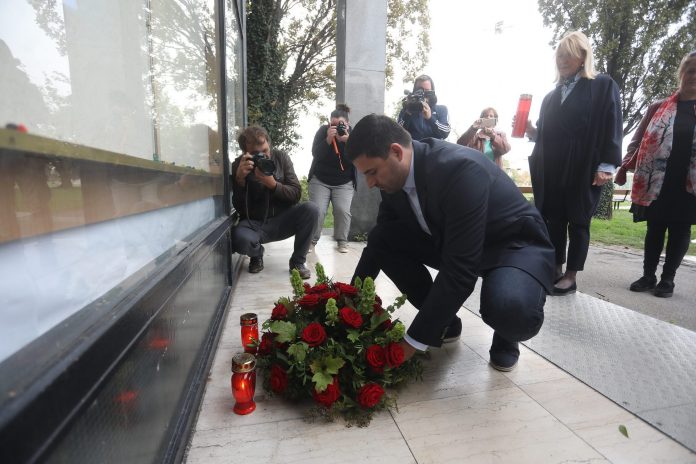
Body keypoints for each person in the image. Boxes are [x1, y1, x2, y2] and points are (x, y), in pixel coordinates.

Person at [347, 114, 555, 371]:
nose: (370, 183)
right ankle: (445, 324)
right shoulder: (393, 180)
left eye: (372, 172)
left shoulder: (459, 169)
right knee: (383, 238)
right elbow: (380, 239)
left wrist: (410, 344)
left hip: (510, 246)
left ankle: (506, 335)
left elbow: (460, 271)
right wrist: (349, 301)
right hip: (455, 241)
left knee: (508, 306)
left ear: (397, 152)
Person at [524, 31, 622, 295]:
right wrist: (532, 131)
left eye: (569, 55)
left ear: (583, 56)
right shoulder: (551, 96)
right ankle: (555, 267)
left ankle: (571, 275)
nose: (563, 60)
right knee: (554, 219)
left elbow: (612, 123)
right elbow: (547, 134)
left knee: (579, 221)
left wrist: (607, 165)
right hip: (553, 166)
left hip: (583, 165)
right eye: (559, 55)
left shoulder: (602, 85)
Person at [614, 51, 696, 298]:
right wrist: (626, 164)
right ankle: (648, 275)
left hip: (689, 184)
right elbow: (637, 140)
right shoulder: (658, 107)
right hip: (656, 180)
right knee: (655, 227)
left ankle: (667, 279)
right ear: (682, 73)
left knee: (680, 229)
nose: (694, 76)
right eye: (691, 70)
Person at [230, 125, 319, 279]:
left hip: (284, 219)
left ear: (269, 144)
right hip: (255, 223)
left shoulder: (281, 158)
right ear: (245, 153)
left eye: (265, 150)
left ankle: (297, 262)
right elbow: (239, 208)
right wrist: (240, 181)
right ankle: (256, 254)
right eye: (256, 154)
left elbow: (296, 193)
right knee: (240, 239)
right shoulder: (239, 165)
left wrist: (273, 185)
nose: (263, 156)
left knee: (311, 209)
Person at [308, 104, 356, 253]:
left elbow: (358, 158)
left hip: (344, 182)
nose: (335, 127)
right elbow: (315, 154)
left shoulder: (353, 135)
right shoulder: (323, 131)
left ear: (347, 123)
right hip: (320, 179)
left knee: (342, 210)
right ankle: (311, 241)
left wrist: (348, 141)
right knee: (318, 210)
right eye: (332, 124)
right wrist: (328, 139)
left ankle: (342, 241)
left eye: (340, 124)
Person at [397, 74, 451, 141]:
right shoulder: (406, 110)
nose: (423, 94)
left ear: (432, 92)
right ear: (414, 91)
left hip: (435, 146)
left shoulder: (441, 109)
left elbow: (445, 132)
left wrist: (430, 118)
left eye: (427, 91)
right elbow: (397, 133)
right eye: (419, 90)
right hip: (414, 146)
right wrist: (407, 114)